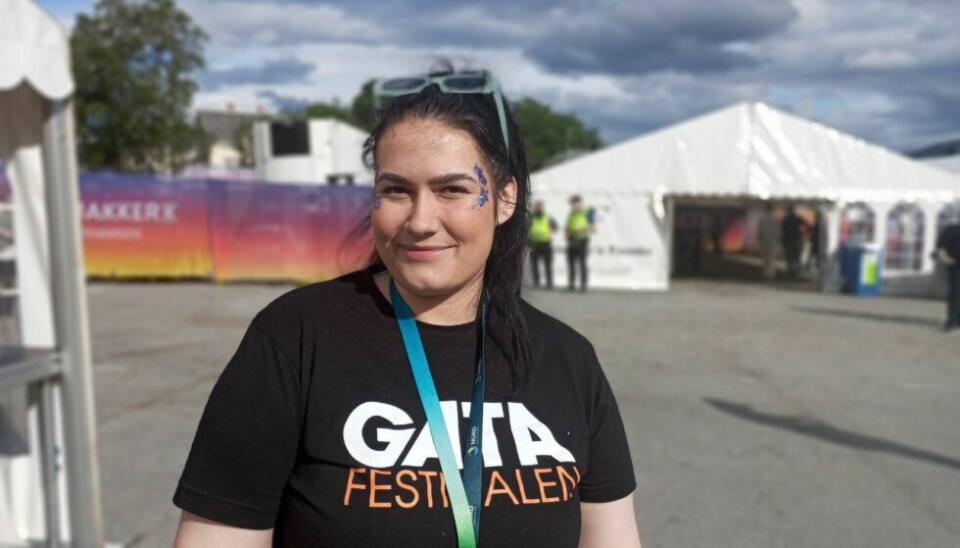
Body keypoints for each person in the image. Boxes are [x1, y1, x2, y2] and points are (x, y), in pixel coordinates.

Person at [172, 72, 641, 548]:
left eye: (453, 190)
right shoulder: (295, 338)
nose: (419, 221)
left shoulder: (567, 360)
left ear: (505, 199)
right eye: (396, 190)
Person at [565, 195, 593, 292]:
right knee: (571, 263)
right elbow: (568, 225)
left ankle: (583, 285)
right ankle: (571, 285)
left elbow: (592, 227)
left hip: (582, 240)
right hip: (572, 240)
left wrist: (580, 231)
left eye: (575, 203)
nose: (574, 205)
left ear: (579, 203)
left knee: (582, 263)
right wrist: (568, 232)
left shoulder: (585, 212)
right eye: (572, 203)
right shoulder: (571, 214)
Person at [936, 221, 960, 331]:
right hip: (955, 265)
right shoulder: (951, 229)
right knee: (956, 293)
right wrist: (946, 260)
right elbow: (941, 247)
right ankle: (952, 321)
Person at [528, 200, 557, 289]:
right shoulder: (531, 218)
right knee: (535, 265)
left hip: (546, 244)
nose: (539, 209)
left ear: (543, 208)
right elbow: (526, 231)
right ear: (536, 208)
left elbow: (555, 227)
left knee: (548, 265)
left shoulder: (548, 217)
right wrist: (528, 244)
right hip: (535, 245)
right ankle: (537, 282)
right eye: (538, 207)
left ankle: (549, 283)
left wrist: (552, 230)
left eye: (541, 207)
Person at [781, 204, 804, 278]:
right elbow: (806, 223)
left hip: (789, 240)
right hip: (795, 240)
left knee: (790, 257)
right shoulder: (796, 219)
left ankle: (791, 271)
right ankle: (796, 271)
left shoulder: (786, 220)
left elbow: (783, 230)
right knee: (796, 257)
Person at [759, 203, 780, 280]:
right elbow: (778, 230)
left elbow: (760, 230)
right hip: (773, 241)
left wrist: (761, 238)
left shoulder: (763, 218)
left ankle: (765, 273)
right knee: (771, 258)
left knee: (765, 258)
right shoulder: (775, 218)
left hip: (765, 240)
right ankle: (770, 273)